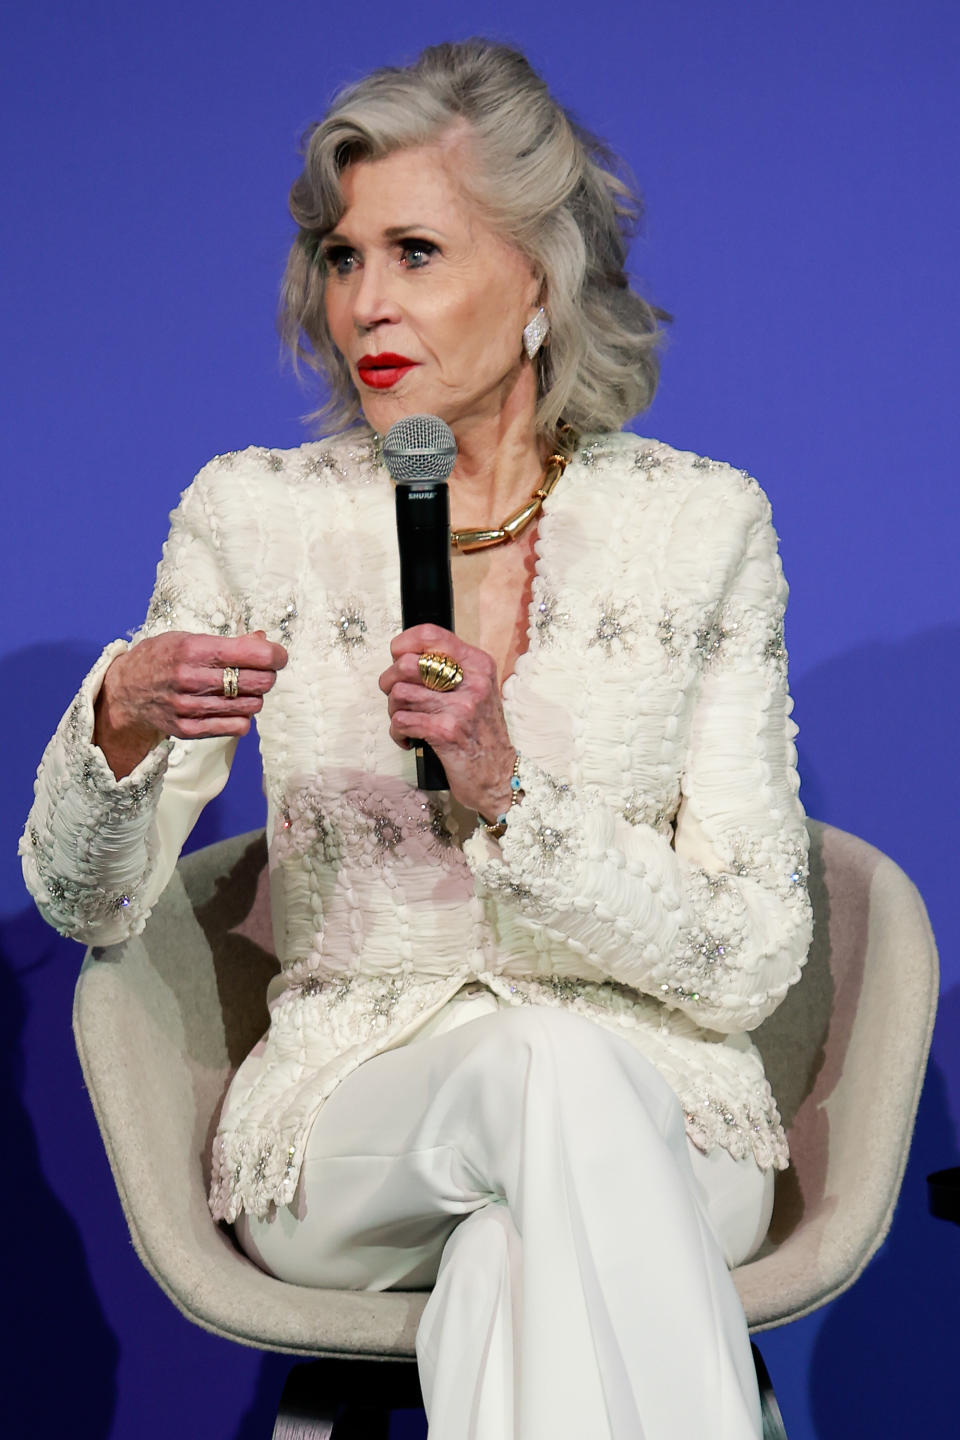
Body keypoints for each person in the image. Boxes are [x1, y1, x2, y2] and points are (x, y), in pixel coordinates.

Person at [21, 38, 812, 1440]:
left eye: (415, 252)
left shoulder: (703, 527)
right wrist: (123, 722)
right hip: (355, 1124)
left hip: (669, 1116)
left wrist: (510, 792)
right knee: (542, 1087)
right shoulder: (252, 515)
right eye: (341, 257)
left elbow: (749, 956)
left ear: (538, 282)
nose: (364, 303)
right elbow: (89, 902)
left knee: (516, 1257)